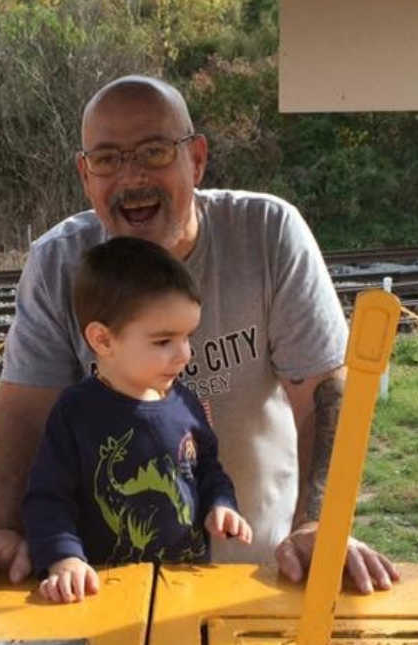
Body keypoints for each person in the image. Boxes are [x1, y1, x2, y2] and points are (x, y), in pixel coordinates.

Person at [0, 74, 400, 596]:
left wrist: (319, 527)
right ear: (85, 176)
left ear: (196, 159)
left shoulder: (267, 233)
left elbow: (324, 394)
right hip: (102, 586)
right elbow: (23, 411)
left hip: (261, 573)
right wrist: (2, 526)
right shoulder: (58, 261)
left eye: (154, 151)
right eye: (106, 159)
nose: (131, 178)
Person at [23, 237, 252, 603]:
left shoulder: (186, 402)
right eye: (164, 341)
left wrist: (221, 503)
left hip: (183, 592)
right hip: (102, 595)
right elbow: (47, 498)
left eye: (187, 337)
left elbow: (208, 468)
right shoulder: (75, 412)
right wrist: (63, 559)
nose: (184, 355)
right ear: (103, 340)